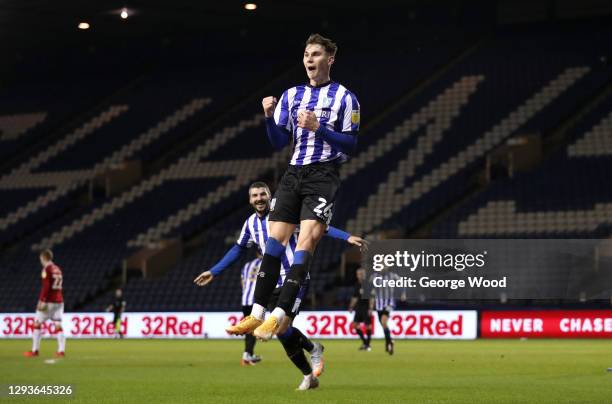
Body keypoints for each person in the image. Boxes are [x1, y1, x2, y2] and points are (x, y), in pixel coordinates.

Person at [227, 33, 360, 342]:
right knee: (273, 243)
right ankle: (257, 313)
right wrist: (269, 116)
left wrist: (319, 127)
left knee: (305, 245)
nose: (309, 60)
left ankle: (278, 315)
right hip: (293, 173)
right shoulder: (291, 95)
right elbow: (278, 142)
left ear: (330, 60)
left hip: (323, 175)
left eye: (315, 54)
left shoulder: (345, 98)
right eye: (306, 55)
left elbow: (351, 144)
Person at [194, 182, 365, 390]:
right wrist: (213, 271)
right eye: (254, 195)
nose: (258, 198)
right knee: (283, 333)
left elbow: (320, 227)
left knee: (281, 326)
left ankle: (313, 352)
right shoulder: (249, 224)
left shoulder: (287, 214)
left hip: (295, 276)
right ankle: (309, 373)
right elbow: (238, 249)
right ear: (250, 200)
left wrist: (347, 237)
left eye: (262, 194)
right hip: (272, 282)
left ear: (270, 196)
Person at [24, 249, 66, 358]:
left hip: (49, 301)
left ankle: (35, 351)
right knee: (58, 324)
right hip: (59, 301)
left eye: (41, 259)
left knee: (37, 323)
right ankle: (61, 351)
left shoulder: (46, 269)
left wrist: (41, 301)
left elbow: (46, 286)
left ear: (44, 258)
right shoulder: (58, 269)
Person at [371, 268, 406, 355]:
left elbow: (401, 282)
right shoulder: (374, 277)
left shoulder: (392, 276)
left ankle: (389, 343)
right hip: (379, 304)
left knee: (383, 321)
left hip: (389, 303)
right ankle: (389, 342)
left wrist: (403, 293)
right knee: (383, 325)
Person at [239, 256, 262, 365]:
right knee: (253, 329)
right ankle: (247, 355)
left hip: (245, 300)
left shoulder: (247, 265)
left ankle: (249, 354)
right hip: (256, 301)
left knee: (249, 328)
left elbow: (242, 283)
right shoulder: (267, 263)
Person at [349, 268, 373, 351]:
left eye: (361, 274)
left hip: (366, 307)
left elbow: (371, 297)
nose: (359, 276)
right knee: (355, 325)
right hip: (358, 307)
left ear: (364, 275)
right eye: (358, 274)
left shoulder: (368, 284)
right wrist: (351, 306)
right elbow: (355, 297)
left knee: (368, 326)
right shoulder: (357, 285)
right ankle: (365, 343)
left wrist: (370, 308)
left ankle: (368, 344)